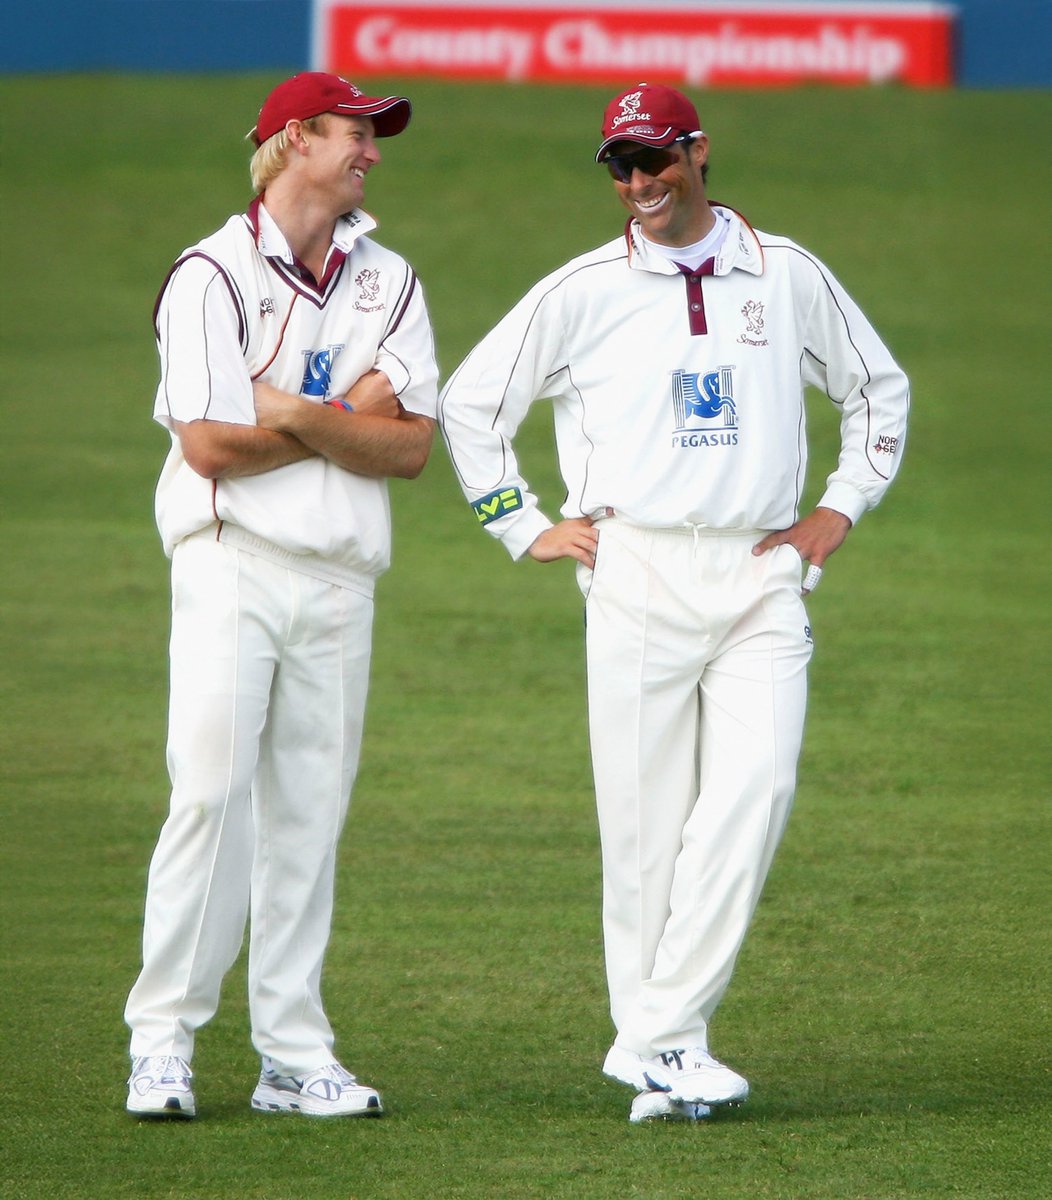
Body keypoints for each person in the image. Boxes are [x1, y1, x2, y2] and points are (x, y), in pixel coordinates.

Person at [438, 83, 909, 1124]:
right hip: (636, 568)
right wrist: (522, 523)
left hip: (760, 568)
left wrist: (840, 506)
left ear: (698, 151)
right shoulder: (581, 290)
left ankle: (653, 1035)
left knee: (756, 791)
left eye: (653, 159)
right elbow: (469, 403)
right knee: (644, 832)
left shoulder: (785, 273)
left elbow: (878, 388)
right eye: (619, 165)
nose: (638, 182)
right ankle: (667, 1052)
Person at [124, 72, 438, 1120]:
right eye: (356, 134)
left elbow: (411, 450)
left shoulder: (389, 279)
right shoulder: (209, 274)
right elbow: (210, 448)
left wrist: (293, 412)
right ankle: (161, 1043)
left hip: (342, 576)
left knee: (308, 819)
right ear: (295, 139)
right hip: (232, 559)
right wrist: (344, 412)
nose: (372, 154)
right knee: (212, 797)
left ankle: (292, 1056)